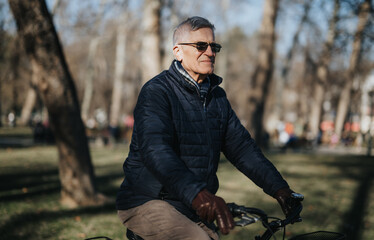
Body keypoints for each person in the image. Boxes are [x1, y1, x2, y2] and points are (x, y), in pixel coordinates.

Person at [116, 16, 302, 240]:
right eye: (200, 46)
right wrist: (196, 193)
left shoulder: (217, 97)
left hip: (191, 203)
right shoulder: (157, 91)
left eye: (213, 46)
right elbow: (156, 150)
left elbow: (242, 149)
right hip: (147, 200)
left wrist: (279, 188)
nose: (210, 52)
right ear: (178, 51)